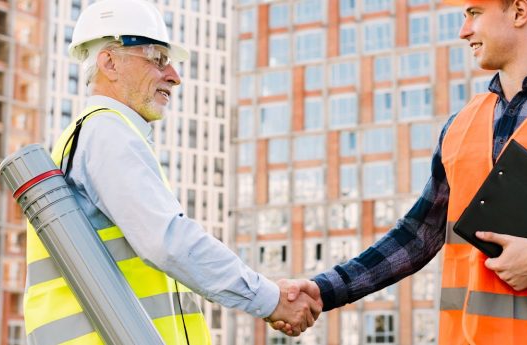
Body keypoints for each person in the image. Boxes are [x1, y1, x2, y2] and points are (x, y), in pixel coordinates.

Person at [273, 0, 527, 343]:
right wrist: (325, 290)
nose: (463, 30)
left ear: (519, 11)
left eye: (473, 12)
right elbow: (419, 234)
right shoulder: (461, 124)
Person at [23, 0, 321, 343]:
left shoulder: (93, 134)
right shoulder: (107, 132)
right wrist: (270, 299)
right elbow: (168, 241)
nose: (174, 76)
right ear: (110, 62)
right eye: (157, 59)